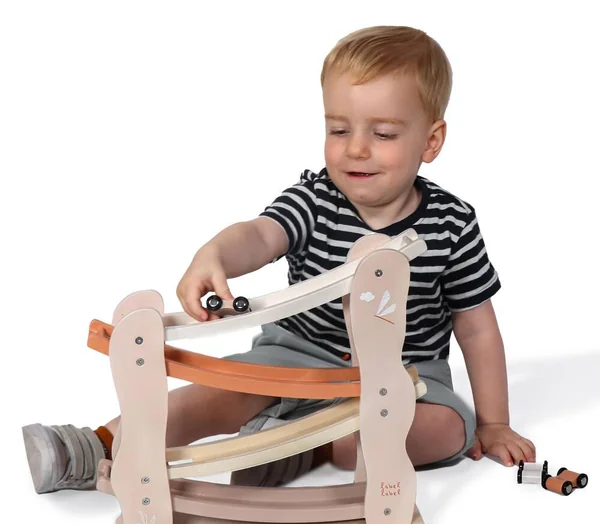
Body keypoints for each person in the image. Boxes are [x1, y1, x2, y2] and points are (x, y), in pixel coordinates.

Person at [22, 25, 536, 494]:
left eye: (382, 134)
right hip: (294, 358)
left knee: (444, 430)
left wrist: (494, 422)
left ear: (431, 141)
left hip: (404, 375)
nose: (356, 149)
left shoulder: (452, 222)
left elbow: (477, 329)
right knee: (210, 395)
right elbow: (260, 234)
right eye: (339, 130)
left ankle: (298, 443)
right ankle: (92, 446)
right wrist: (215, 254)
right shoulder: (314, 199)